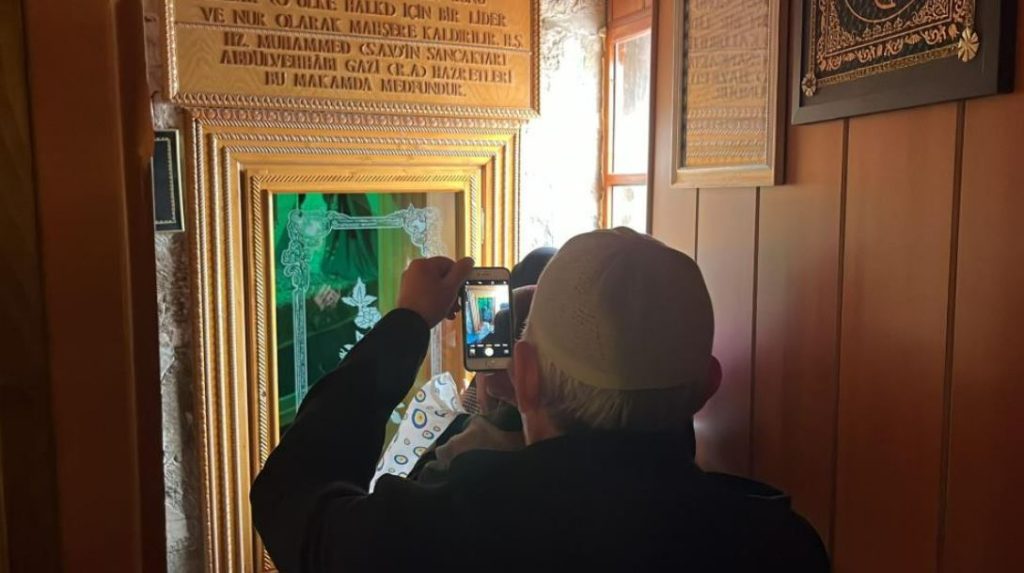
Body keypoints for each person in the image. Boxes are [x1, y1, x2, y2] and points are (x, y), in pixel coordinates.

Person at [251, 229, 829, 572]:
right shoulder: (783, 548)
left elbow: (289, 497)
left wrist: (408, 322)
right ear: (708, 385)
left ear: (523, 376)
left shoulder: (431, 536)